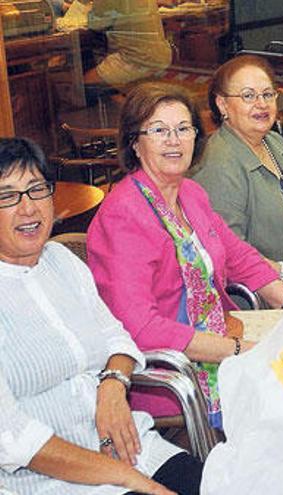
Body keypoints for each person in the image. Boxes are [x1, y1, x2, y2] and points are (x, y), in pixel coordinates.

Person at [87, 81, 283, 428]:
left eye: (183, 128)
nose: (174, 140)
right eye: (159, 130)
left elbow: (239, 256)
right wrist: (239, 350)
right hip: (170, 373)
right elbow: (139, 327)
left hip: (219, 337)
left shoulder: (190, 193)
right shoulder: (122, 216)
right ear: (134, 143)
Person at [0, 137, 201, 494]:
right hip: (53, 483)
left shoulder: (61, 261)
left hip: (135, 449)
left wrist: (112, 384)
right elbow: (13, 439)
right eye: (7, 196)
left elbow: (116, 337)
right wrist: (125, 477)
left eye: (36, 189)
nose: (28, 208)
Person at [193, 55, 283, 294]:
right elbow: (229, 254)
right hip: (260, 295)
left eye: (267, 94)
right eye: (248, 96)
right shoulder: (218, 165)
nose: (261, 104)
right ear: (223, 105)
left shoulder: (274, 143)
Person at [84, 0, 173, 89]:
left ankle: (117, 100)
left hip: (134, 60)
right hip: (161, 54)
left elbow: (96, 24)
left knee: (83, 83)